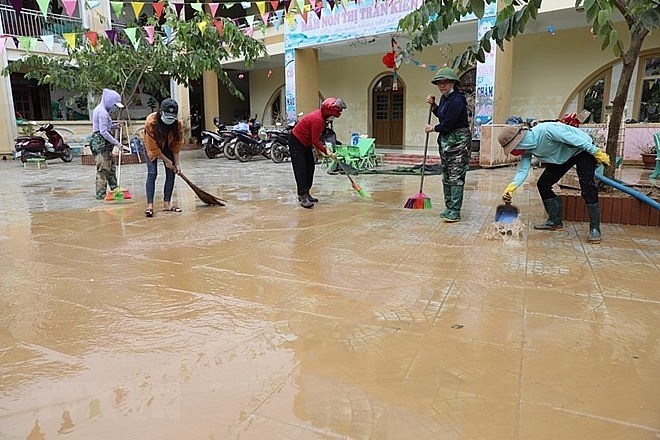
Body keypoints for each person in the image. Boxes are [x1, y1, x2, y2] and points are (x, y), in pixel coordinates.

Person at [497, 122, 611, 243]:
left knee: (587, 186)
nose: (513, 151)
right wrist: (512, 187)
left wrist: (596, 151)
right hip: (562, 157)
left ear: (518, 141)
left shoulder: (546, 131)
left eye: (512, 148)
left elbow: (575, 140)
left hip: (582, 149)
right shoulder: (527, 149)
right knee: (543, 184)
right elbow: (523, 170)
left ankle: (595, 228)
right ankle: (554, 221)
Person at [424, 67, 471, 222]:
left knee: (456, 176)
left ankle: (455, 211)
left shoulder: (458, 100)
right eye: (439, 83)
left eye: (445, 82)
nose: (442, 85)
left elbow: (448, 124)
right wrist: (434, 106)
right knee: (446, 175)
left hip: (458, 141)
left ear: (452, 83)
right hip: (445, 142)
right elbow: (442, 115)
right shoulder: (444, 98)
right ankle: (448, 208)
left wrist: (433, 128)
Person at [289, 98, 344, 208]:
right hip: (297, 141)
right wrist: (328, 152)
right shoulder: (318, 119)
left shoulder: (322, 118)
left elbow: (315, 137)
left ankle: (307, 193)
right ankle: (303, 196)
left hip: (306, 142)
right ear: (329, 111)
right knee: (301, 169)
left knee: (310, 167)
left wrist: (318, 150)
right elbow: (315, 140)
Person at [142, 98, 184, 217]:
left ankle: (167, 204)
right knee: (152, 173)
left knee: (171, 173)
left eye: (172, 117)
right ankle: (150, 206)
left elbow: (176, 145)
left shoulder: (178, 124)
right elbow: (154, 148)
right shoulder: (151, 122)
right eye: (168, 116)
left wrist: (176, 164)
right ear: (161, 112)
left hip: (168, 145)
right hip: (151, 145)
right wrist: (166, 160)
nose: (170, 119)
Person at [90, 88, 124, 200]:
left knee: (111, 167)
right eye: (115, 105)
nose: (115, 108)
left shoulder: (102, 110)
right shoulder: (102, 113)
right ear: (109, 101)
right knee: (103, 169)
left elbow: (105, 127)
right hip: (100, 142)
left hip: (103, 142)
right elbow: (103, 132)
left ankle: (115, 189)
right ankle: (101, 195)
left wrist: (115, 126)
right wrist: (117, 143)